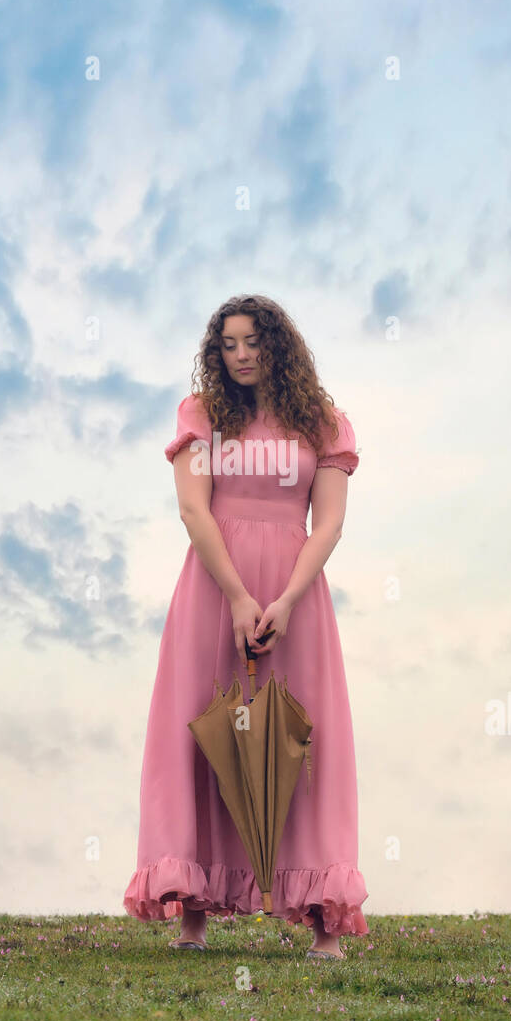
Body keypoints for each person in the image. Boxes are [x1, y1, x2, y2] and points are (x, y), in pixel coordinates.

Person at [123, 294, 368, 959]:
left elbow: (331, 523)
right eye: (227, 344)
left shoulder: (322, 422)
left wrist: (286, 599)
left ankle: (323, 921)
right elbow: (194, 511)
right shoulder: (202, 415)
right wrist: (235, 596)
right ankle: (193, 916)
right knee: (205, 735)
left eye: (251, 342)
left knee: (303, 742)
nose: (239, 355)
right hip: (212, 588)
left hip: (298, 594)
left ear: (277, 345)